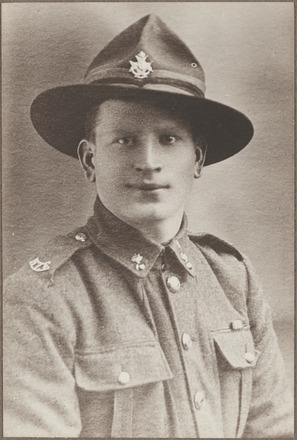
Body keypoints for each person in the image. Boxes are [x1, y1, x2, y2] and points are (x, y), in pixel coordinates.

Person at [3, 14, 293, 438]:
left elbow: (275, 430)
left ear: (197, 159)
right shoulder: (41, 297)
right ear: (90, 159)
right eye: (124, 140)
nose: (149, 162)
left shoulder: (234, 279)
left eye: (169, 139)